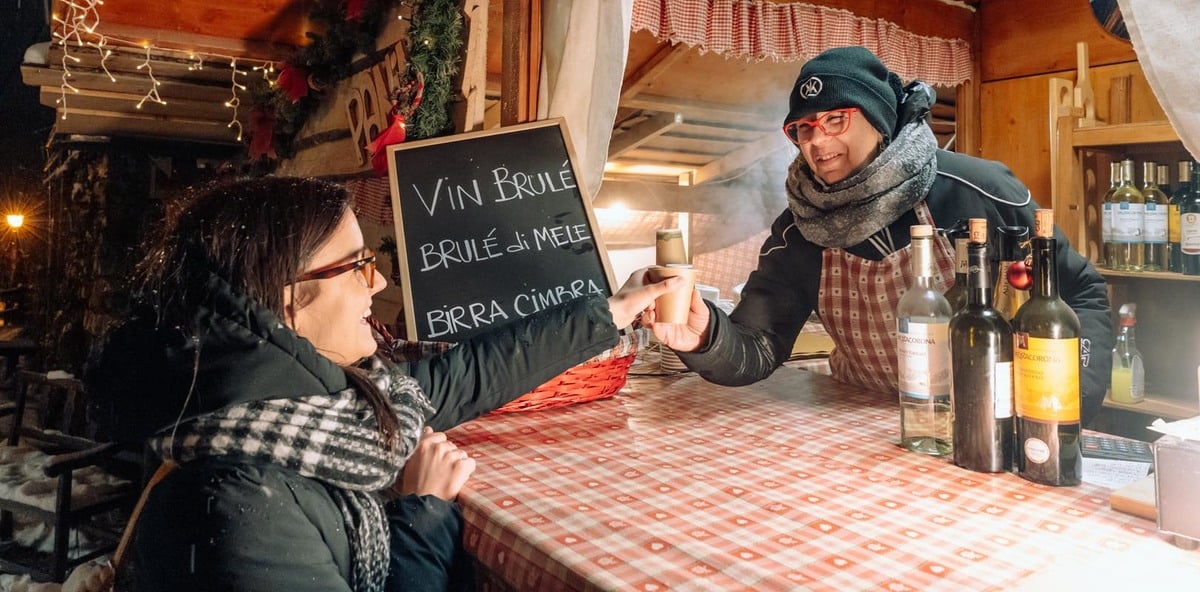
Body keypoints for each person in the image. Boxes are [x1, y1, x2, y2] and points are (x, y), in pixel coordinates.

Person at [84, 176, 679, 592]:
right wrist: (422, 516)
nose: (379, 281)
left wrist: (612, 311)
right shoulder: (235, 508)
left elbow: (463, 376)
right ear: (290, 299)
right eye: (357, 265)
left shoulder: (321, 408)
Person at [646, 46, 1113, 425]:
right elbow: (757, 345)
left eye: (835, 119)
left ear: (878, 119)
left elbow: (1081, 292)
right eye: (803, 128)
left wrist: (1071, 400)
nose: (816, 140)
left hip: (990, 424)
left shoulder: (978, 192)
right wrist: (705, 334)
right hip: (863, 429)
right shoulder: (802, 227)